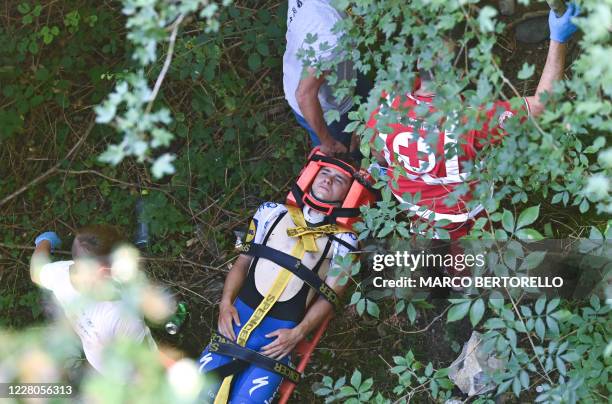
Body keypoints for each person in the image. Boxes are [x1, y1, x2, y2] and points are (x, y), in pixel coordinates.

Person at [366, 4, 579, 240]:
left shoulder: (385, 103)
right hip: (464, 217)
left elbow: (377, 152)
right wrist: (559, 39)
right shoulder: (471, 121)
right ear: (461, 77)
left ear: (418, 64)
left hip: (413, 208)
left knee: (430, 256)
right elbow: (542, 104)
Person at [197, 149, 375, 403]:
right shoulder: (270, 212)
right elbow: (243, 262)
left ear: (349, 193)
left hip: (277, 343)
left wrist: (298, 333)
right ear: (312, 175)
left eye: (339, 180)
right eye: (324, 172)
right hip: (233, 324)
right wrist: (225, 303)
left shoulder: (344, 242)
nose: (327, 180)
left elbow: (330, 298)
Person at [30, 225, 157, 376]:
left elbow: (36, 272)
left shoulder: (59, 274)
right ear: (103, 271)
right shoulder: (122, 314)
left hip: (98, 361)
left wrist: (44, 241)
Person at [283, 0, 358, 155]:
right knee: (342, 158)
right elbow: (304, 95)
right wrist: (328, 142)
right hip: (325, 108)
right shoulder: (330, 32)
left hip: (342, 71)